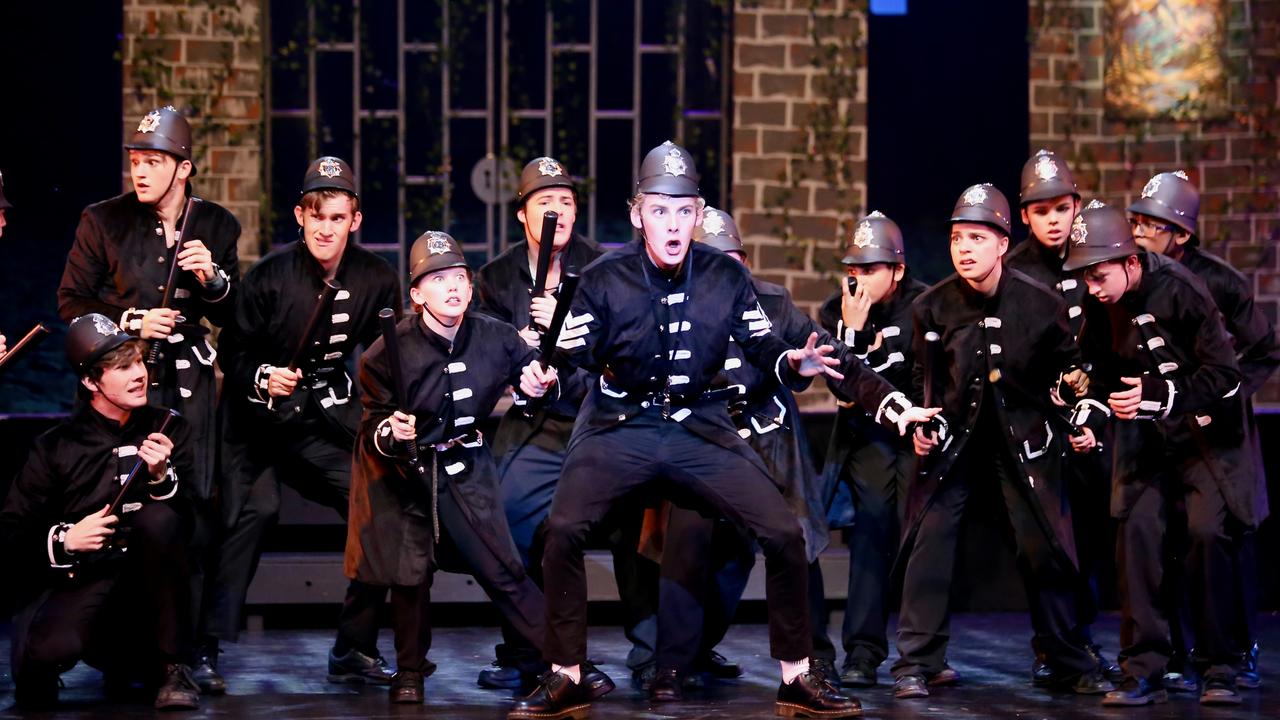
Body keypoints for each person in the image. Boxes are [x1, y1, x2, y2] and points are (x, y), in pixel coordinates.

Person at [510, 141, 937, 720]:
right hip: (622, 421)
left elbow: (767, 346)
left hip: (700, 425)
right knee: (562, 531)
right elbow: (575, 350)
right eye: (660, 210)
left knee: (785, 534)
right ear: (638, 214)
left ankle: (795, 676)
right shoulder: (605, 278)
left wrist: (803, 368)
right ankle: (566, 674)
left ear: (698, 214)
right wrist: (542, 371)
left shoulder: (725, 278)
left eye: (684, 211)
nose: (673, 224)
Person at [346, 230, 613, 704]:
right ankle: (410, 671)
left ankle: (568, 664)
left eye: (459, 278)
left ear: (471, 287)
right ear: (416, 294)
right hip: (406, 473)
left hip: (467, 465)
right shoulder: (386, 351)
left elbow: (536, 379)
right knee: (409, 574)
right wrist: (392, 432)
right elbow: (371, 425)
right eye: (437, 279)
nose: (451, 287)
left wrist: (538, 384)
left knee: (505, 569)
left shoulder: (496, 336)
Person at [891, 183, 1111, 700]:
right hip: (957, 444)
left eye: (976, 237)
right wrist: (922, 426)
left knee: (1042, 546)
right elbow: (919, 383)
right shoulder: (932, 306)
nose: (964, 248)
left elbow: (1073, 373)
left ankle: (1065, 657)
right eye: (956, 238)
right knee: (932, 538)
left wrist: (1079, 414)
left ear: (1001, 241)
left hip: (1023, 442)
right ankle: (917, 663)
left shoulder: (1039, 303)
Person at [202, 156, 401, 688]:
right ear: (300, 216)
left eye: (337, 217)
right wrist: (264, 375)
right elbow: (233, 354)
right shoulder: (269, 277)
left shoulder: (377, 278)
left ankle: (354, 648)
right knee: (253, 510)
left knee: (374, 502)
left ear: (355, 220)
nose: (325, 228)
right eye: (316, 216)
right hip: (253, 424)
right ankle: (203, 651)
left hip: (317, 422)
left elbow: (393, 355)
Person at [472, 157, 658, 688]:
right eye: (545, 203)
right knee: (506, 516)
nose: (558, 212)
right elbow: (485, 354)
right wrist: (519, 357)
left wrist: (567, 336)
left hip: (599, 420)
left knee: (636, 516)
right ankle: (529, 652)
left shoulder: (606, 269)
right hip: (535, 422)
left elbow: (627, 351)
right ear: (522, 215)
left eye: (566, 202)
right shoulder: (495, 279)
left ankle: (649, 654)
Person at [1064, 200, 1255, 707]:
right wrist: (1091, 412)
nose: (1093, 288)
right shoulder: (1100, 301)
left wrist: (1163, 396)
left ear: (1130, 262)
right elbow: (1102, 371)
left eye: (1100, 275)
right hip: (1146, 439)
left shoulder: (1185, 290)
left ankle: (1219, 666)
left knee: (1207, 533)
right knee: (1138, 533)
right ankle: (1143, 667)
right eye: (1086, 278)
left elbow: (1226, 374)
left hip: (1207, 437)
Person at [647, 206, 839, 700]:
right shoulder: (675, 303)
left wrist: (881, 396)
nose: (722, 269)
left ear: (744, 261)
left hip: (771, 441)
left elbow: (815, 351)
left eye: (729, 258)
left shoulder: (772, 302)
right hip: (708, 444)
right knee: (690, 545)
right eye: (709, 258)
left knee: (798, 539)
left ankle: (814, 659)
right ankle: (673, 663)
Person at [1127, 170, 1279, 692]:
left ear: (1182, 234)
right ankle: (1171, 652)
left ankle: (1230, 654)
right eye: (1138, 221)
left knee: (1215, 534)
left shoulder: (1218, 282)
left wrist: (1226, 393)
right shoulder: (1133, 276)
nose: (1142, 231)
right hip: (1159, 428)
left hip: (1217, 434)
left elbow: (1263, 350)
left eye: (1154, 224)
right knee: (1155, 534)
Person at [1, 314, 200, 710]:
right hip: (82, 582)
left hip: (145, 591)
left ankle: (171, 665)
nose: (139, 374)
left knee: (159, 518)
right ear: (91, 382)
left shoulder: (168, 426)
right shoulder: (56, 446)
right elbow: (10, 531)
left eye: (139, 362)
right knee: (41, 664)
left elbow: (193, 522)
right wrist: (65, 539)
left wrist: (162, 477)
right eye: (123, 367)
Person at [1005, 149, 1121, 685]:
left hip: (1097, 418)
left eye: (1061, 207)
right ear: (1025, 216)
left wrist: (1092, 406)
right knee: (1047, 543)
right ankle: (1054, 644)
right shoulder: (1013, 273)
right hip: (1036, 425)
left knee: (1095, 533)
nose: (1054, 219)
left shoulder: (1096, 253)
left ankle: (1080, 634)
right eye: (1041, 210)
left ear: (1077, 205)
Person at [816, 210, 929, 688]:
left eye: (871, 269)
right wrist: (854, 333)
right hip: (868, 438)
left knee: (921, 539)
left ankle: (923, 656)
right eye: (854, 269)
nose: (858, 279)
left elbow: (926, 381)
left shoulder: (926, 305)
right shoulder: (831, 312)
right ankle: (862, 652)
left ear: (898, 271)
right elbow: (843, 391)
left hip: (920, 437)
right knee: (872, 531)